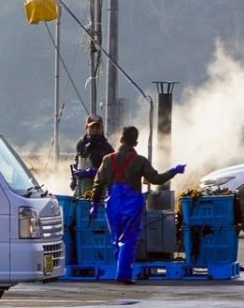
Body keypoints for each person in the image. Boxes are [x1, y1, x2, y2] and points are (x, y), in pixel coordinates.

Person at [91, 125, 185, 284]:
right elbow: (156, 179)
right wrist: (174, 170)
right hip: (132, 203)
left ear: (121, 139)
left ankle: (121, 271)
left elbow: (98, 183)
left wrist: (94, 203)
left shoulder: (107, 160)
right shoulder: (140, 161)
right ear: (136, 142)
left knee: (116, 239)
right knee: (128, 239)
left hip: (113, 203)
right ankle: (123, 275)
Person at [74, 116, 113, 194]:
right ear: (86, 128)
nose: (95, 130)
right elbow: (76, 161)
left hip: (97, 192)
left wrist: (92, 172)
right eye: (92, 127)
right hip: (80, 189)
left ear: (102, 129)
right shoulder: (81, 144)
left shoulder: (107, 148)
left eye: (98, 127)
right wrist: (73, 178)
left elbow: (110, 172)